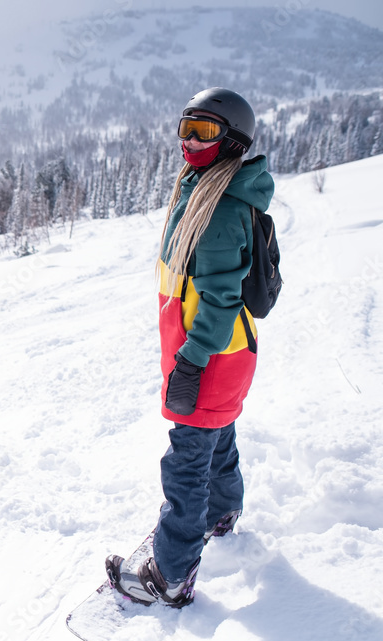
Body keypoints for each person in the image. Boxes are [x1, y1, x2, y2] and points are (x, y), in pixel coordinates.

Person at [107, 88, 275, 607]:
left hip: (212, 355)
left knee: (186, 463)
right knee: (216, 436)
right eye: (186, 128)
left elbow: (220, 302)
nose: (190, 142)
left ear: (233, 143)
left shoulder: (221, 209)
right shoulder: (202, 188)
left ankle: (172, 573)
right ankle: (222, 512)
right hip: (215, 354)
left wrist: (190, 363)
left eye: (204, 133)